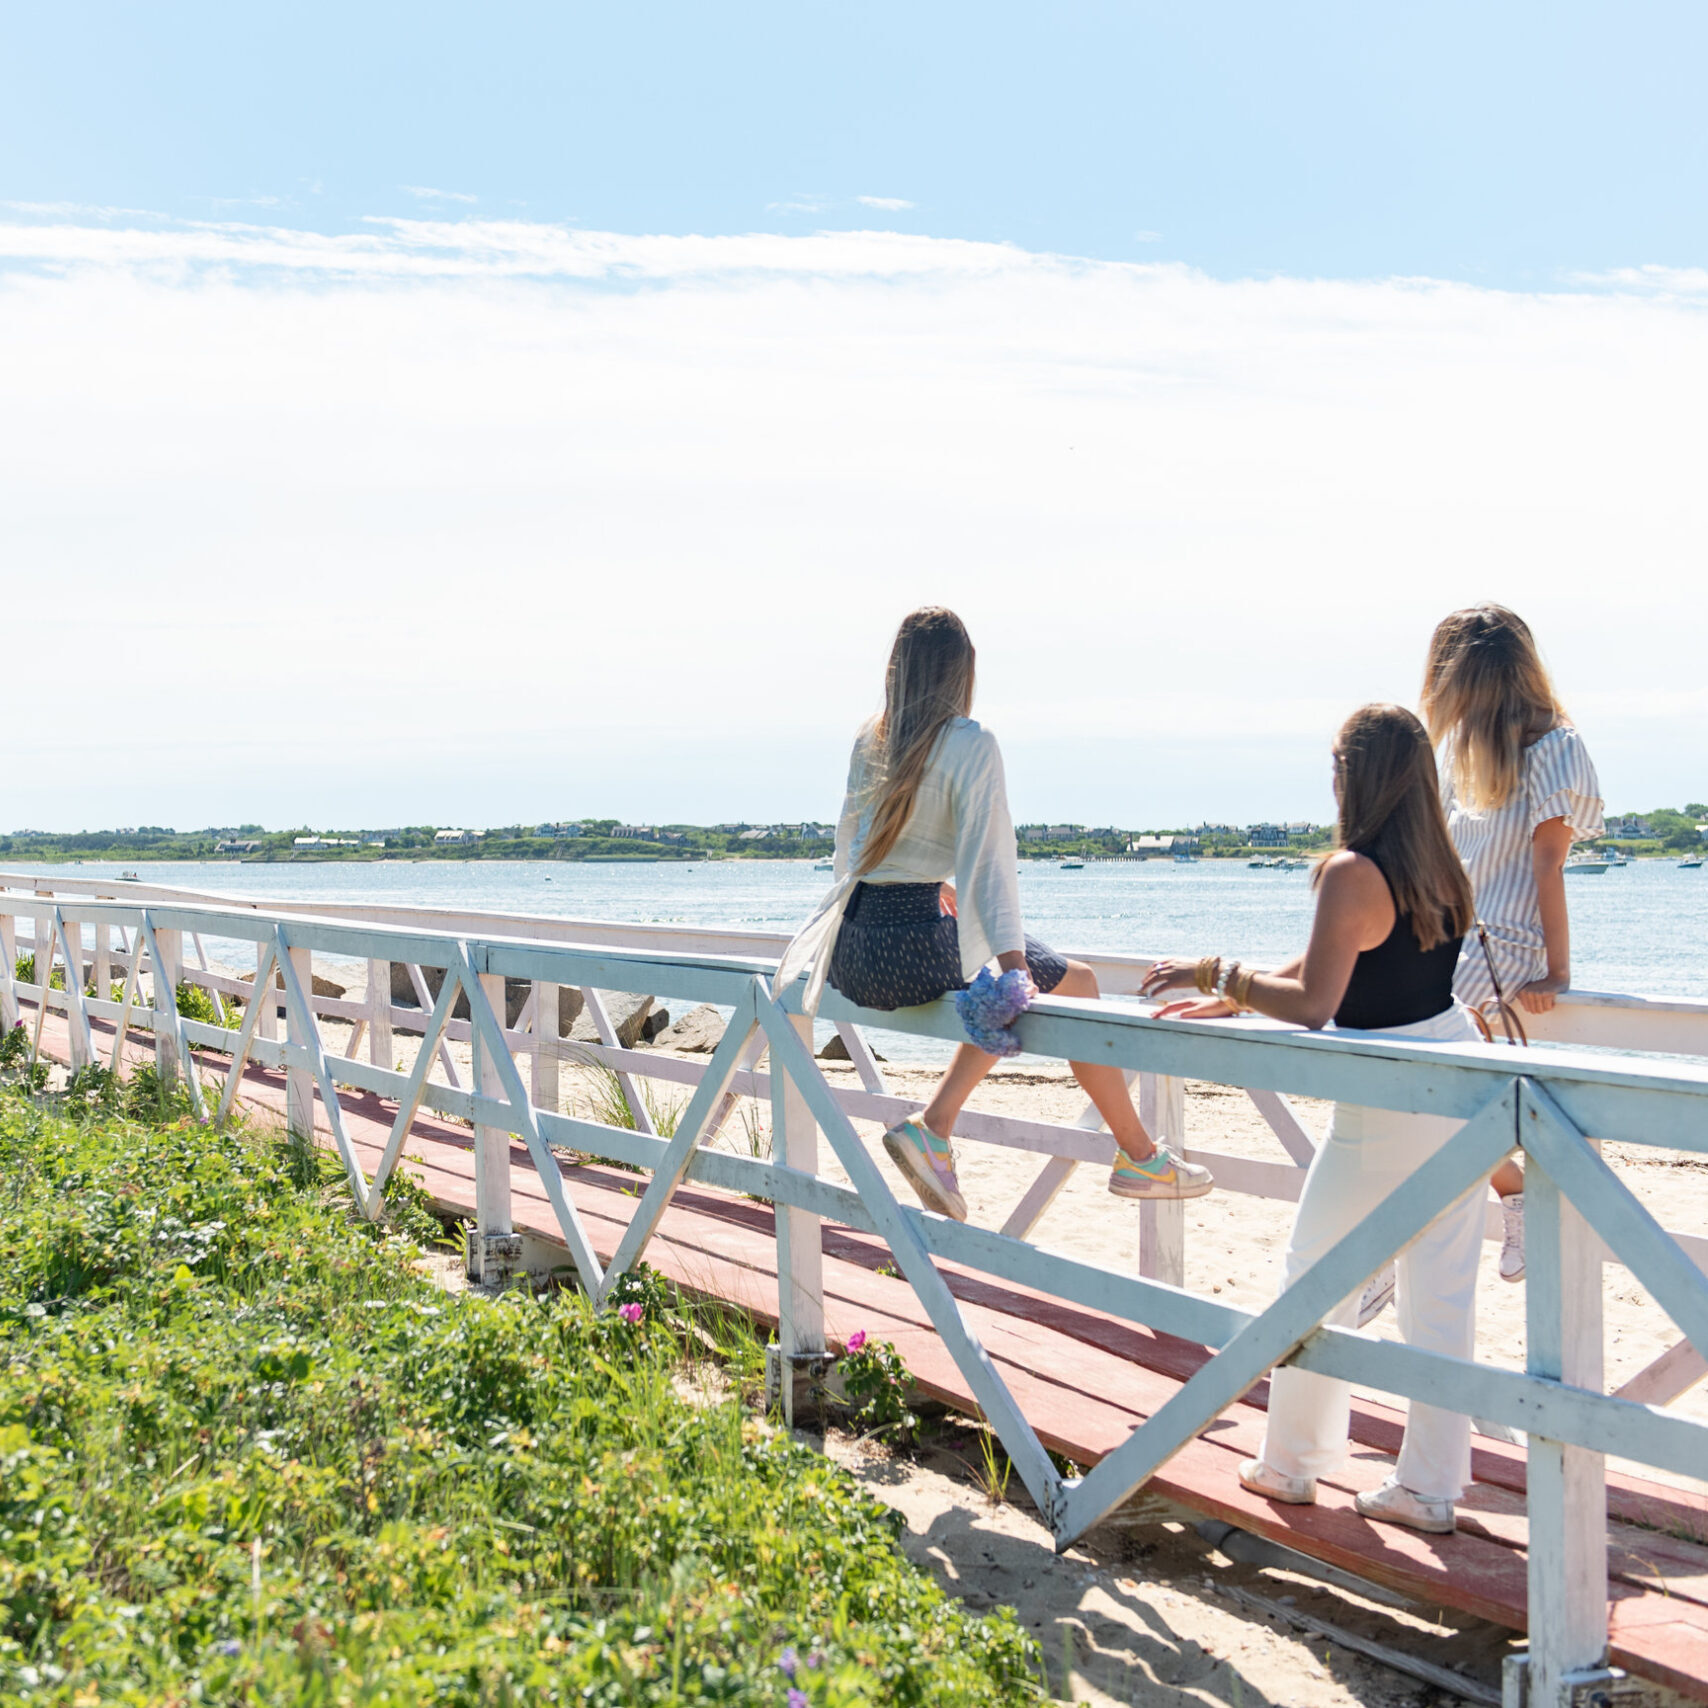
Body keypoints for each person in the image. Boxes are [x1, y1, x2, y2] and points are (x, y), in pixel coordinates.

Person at [1140, 704, 1483, 1534]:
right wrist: (1236, 993)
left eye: (1336, 763)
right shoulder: (1438, 865)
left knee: (1313, 1277)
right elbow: (1336, 957)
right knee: (1442, 1295)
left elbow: (1317, 1003)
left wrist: (1214, 968)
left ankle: (1294, 1464)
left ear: (1356, 774)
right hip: (1456, 1080)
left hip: (1385, 1104)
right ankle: (1431, 1487)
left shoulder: (1350, 870)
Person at [775, 605, 1213, 1222]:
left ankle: (939, 1129)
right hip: (904, 946)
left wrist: (934, 886)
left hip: (851, 947)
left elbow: (853, 847)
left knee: (1009, 982)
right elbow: (993, 867)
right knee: (1073, 982)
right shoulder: (969, 741)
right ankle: (1138, 1157)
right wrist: (1014, 968)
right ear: (961, 672)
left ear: (897, 670)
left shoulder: (870, 737)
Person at [1422, 603, 1603, 1283]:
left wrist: (1557, 971)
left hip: (1503, 950)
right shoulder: (1462, 752)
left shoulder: (1555, 744)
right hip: (1453, 942)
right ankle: (1508, 1190)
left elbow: (1547, 864)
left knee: (1415, 1074)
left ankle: (1398, 1239)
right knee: (1415, 1081)